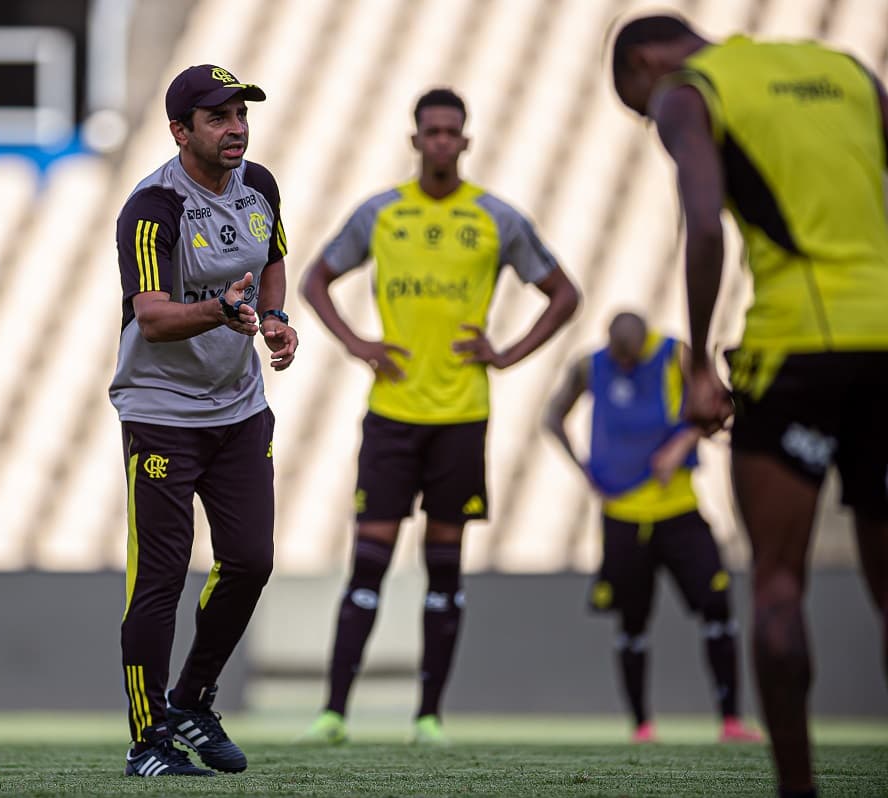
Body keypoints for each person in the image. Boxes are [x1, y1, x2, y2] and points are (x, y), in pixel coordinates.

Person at [612, 14, 888, 797]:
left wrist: (699, 362)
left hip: (798, 343)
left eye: (637, 105)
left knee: (775, 583)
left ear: (643, 63)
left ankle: (797, 789)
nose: (649, 117)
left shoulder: (688, 92)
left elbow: (705, 226)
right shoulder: (846, 70)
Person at [298, 88, 579, 745]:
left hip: (461, 416)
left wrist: (506, 355)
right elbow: (315, 280)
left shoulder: (496, 219)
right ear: (415, 139)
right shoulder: (379, 213)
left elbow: (564, 294)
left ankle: (429, 716)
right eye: (433, 131)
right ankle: (334, 713)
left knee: (444, 570)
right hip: (392, 415)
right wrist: (356, 343)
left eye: (454, 132)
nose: (443, 142)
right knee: (368, 563)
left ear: (467, 141)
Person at [109, 63, 298, 777]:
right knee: (158, 576)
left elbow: (272, 259)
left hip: (239, 407)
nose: (237, 128)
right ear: (180, 130)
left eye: (240, 113)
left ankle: (191, 699)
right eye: (218, 117)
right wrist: (223, 309)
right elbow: (151, 318)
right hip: (160, 413)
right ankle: (147, 738)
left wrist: (274, 319)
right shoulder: (152, 205)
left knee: (252, 558)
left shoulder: (261, 186)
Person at [545, 312, 762, 743]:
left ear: (643, 343)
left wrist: (679, 444)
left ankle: (731, 720)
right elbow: (551, 417)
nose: (624, 365)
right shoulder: (590, 365)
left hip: (678, 509)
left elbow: (719, 404)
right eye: (618, 357)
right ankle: (641, 724)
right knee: (631, 621)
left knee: (717, 605)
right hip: (622, 516)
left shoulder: (674, 354)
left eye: (630, 357)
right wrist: (583, 469)